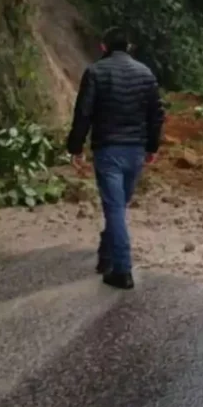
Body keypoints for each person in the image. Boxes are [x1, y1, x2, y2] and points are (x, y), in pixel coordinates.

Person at [66, 27, 165, 290]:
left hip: (108, 151)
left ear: (103, 47)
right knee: (118, 208)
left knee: (115, 209)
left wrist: (75, 148)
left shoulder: (95, 72)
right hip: (135, 152)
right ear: (129, 47)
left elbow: (83, 113)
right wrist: (153, 147)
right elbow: (156, 114)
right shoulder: (145, 74)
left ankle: (122, 271)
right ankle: (107, 256)